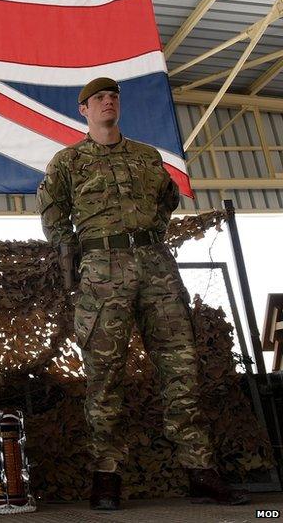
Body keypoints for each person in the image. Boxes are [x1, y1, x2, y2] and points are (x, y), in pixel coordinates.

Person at [36, 78, 249, 510]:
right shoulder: (68, 161)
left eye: (113, 97)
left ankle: (200, 470)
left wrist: (147, 237)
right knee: (104, 374)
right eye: (99, 98)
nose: (108, 102)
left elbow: (166, 199)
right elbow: (52, 210)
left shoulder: (146, 156)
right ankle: (107, 476)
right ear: (84, 110)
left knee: (181, 365)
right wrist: (71, 253)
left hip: (156, 268)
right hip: (102, 270)